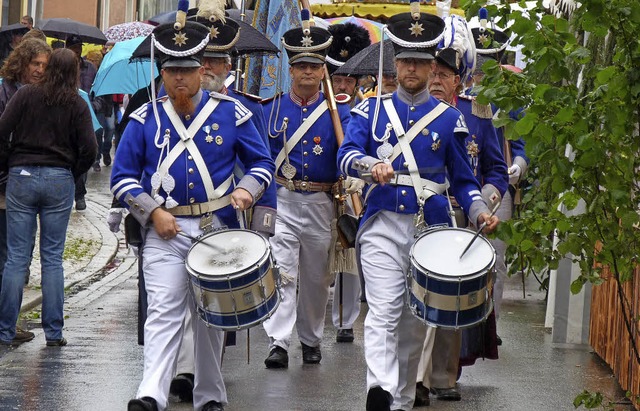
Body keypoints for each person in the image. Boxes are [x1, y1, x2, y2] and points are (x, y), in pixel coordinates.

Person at [337, 11, 500, 411]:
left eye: (420, 62)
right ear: (396, 63)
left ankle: (403, 398)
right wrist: (367, 166)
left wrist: (479, 212)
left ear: (431, 68)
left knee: (414, 322)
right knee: (383, 310)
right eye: (405, 61)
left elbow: (463, 181)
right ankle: (379, 388)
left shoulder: (451, 120)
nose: (411, 69)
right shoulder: (370, 112)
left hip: (431, 230)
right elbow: (345, 155)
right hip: (380, 223)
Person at [111, 18, 274, 411]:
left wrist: (246, 189)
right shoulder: (143, 119)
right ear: (162, 73)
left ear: (201, 71)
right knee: (163, 312)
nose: (179, 79)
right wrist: (151, 212)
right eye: (171, 71)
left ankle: (210, 395)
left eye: (186, 71)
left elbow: (262, 164)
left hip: (215, 229)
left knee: (210, 320)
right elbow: (122, 179)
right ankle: (150, 393)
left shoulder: (231, 114)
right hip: (163, 231)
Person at [167, 13, 278, 402]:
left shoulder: (247, 107)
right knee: (175, 298)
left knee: (210, 303)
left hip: (226, 217)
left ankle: (203, 377)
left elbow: (262, 165)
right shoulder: (167, 103)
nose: (208, 67)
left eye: (215, 61)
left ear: (227, 67)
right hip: (174, 218)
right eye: (204, 59)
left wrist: (263, 224)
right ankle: (183, 370)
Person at [414, 47, 508, 406]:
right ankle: (416, 377)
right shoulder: (411, 110)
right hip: (423, 210)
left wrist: (483, 204)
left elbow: (496, 170)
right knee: (421, 295)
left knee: (451, 301)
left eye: (443, 74)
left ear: (458, 80)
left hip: (463, 217)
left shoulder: (477, 113)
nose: (435, 79)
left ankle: (442, 375)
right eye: (431, 72)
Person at [261, 15, 351, 369]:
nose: (308, 73)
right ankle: (278, 341)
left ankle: (311, 339)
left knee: (316, 277)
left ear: (323, 70)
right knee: (283, 271)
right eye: (301, 66)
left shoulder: (338, 113)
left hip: (320, 201)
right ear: (292, 69)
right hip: (282, 198)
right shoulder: (273, 109)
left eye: (315, 66)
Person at [0, 48, 97, 347]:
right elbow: (90, 149)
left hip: (22, 177)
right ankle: (54, 331)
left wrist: (10, 163)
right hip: (58, 178)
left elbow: (2, 131)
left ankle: (4, 329)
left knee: (16, 257)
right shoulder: (77, 103)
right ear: (74, 73)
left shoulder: (27, 94)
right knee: (53, 258)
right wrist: (71, 171)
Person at [0, 37, 53, 344]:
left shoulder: (42, 95)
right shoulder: (4, 91)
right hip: (8, 183)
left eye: (44, 66)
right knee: (12, 256)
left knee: (16, 256)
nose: (39, 71)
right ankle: (7, 325)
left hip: (22, 184)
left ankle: (9, 321)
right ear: (21, 63)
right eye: (35, 64)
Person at [325, 22, 371, 344]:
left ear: (357, 80)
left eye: (348, 78)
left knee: (347, 259)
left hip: (351, 189)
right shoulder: (320, 103)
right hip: (317, 188)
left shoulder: (366, 109)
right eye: (337, 77)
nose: (342, 83)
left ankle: (344, 320)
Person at [66, 34, 100, 210]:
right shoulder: (62, 68)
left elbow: (99, 92)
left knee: (86, 150)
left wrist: (94, 105)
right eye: (74, 48)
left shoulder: (90, 68)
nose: (77, 51)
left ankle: (80, 194)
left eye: (79, 47)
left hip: (87, 115)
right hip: (67, 115)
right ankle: (74, 191)